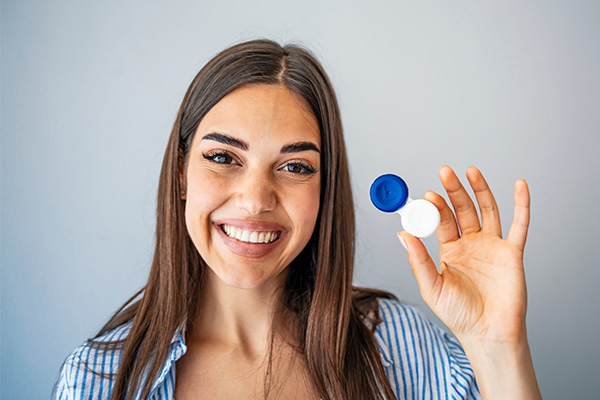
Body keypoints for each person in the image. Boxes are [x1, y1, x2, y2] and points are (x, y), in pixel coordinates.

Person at [54, 39, 542, 400]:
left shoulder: (399, 345)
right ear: (182, 174)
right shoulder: (97, 379)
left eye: (294, 167)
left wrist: (498, 346)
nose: (254, 201)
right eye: (223, 157)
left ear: (324, 187)